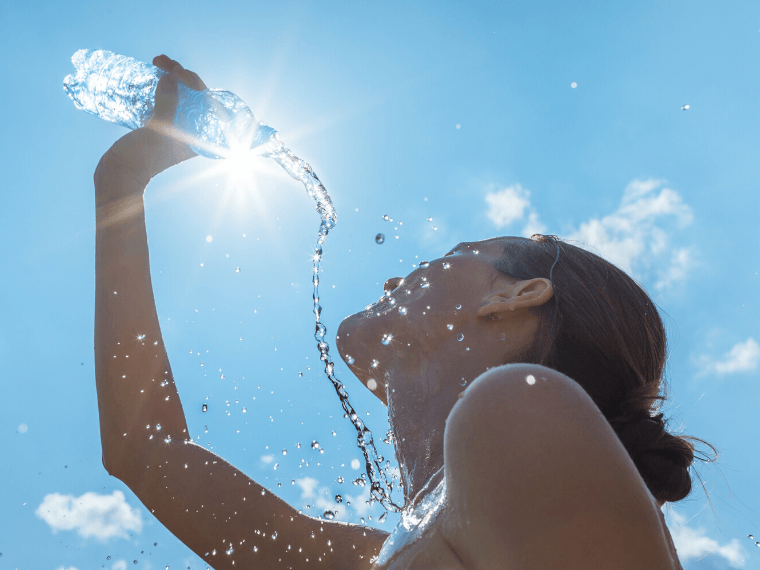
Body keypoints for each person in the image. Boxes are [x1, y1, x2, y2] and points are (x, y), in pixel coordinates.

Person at [93, 56, 716, 569]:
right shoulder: (396, 552)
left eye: (456, 254)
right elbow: (145, 451)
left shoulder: (523, 404)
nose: (397, 276)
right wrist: (122, 184)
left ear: (516, 295)